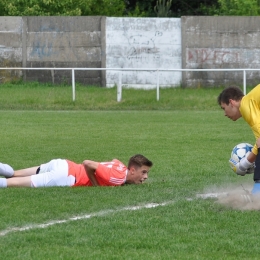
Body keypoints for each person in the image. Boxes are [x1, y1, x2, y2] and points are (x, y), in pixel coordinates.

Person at [0, 154, 153, 188]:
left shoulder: (120, 166)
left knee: (13, 173)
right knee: (10, 183)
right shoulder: (118, 178)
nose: (145, 177)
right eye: (144, 172)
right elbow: (88, 163)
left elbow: (113, 160)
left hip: (63, 163)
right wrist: (96, 186)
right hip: (66, 177)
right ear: (132, 170)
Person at [217, 84, 260, 194]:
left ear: (231, 102)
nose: (224, 114)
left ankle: (258, 191)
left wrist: (244, 163)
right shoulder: (251, 102)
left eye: (224, 108)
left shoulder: (246, 106)